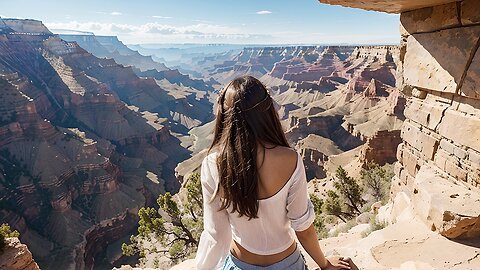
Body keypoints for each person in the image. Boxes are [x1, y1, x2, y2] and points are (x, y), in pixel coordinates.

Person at [195, 76, 353, 270]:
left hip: (239, 265)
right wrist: (325, 264)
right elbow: (303, 229)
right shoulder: (290, 159)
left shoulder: (213, 164)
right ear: (267, 110)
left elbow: (216, 234)